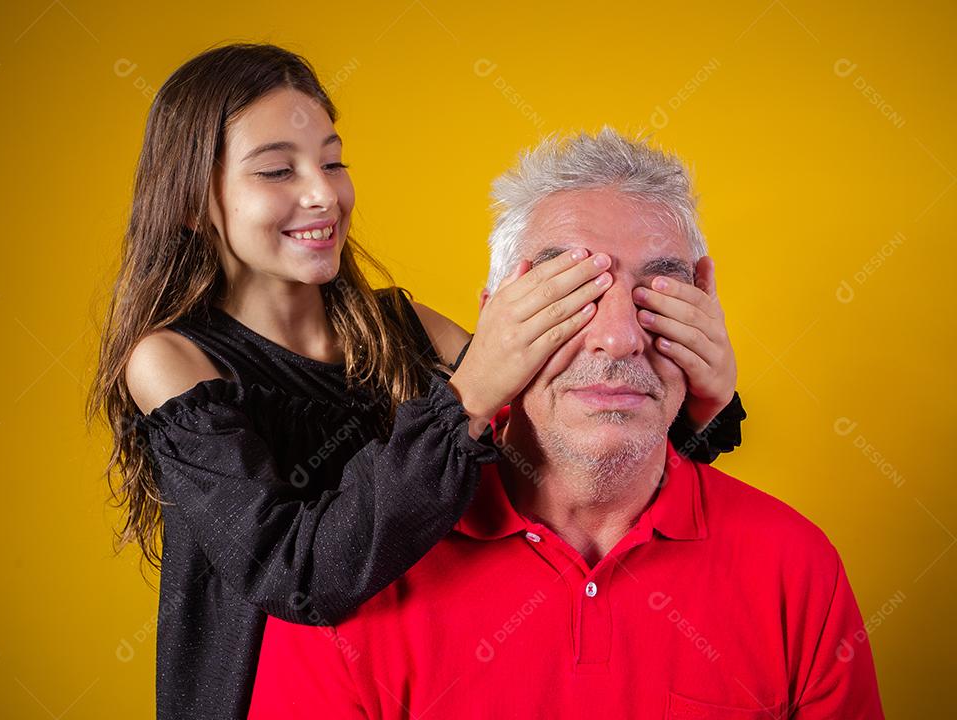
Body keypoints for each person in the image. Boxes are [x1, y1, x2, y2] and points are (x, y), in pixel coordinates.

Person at [85, 44, 747, 719]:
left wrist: (704, 399)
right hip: (258, 695)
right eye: (278, 170)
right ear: (194, 203)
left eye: (333, 162)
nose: (322, 193)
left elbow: (561, 446)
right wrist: (467, 396)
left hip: (410, 677)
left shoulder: (407, 328)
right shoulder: (171, 363)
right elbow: (297, 575)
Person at [248, 128, 883, 719]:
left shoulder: (797, 569)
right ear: (495, 321)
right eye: (570, 291)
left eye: (657, 294)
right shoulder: (352, 568)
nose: (617, 337)